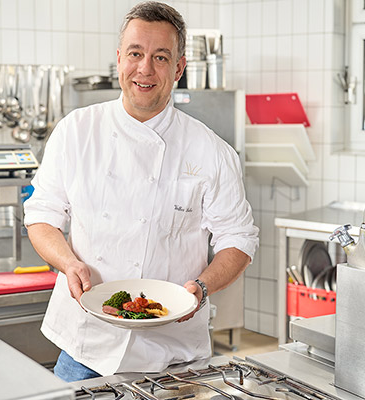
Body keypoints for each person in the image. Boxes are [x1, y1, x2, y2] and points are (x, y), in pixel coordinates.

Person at [23, 1, 259, 382]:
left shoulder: (212, 150)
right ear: (119, 59)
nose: (145, 69)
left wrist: (201, 287)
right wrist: (69, 263)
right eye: (135, 53)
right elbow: (41, 216)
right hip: (86, 347)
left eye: (161, 57)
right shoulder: (76, 132)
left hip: (175, 354)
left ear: (179, 68)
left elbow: (240, 239)